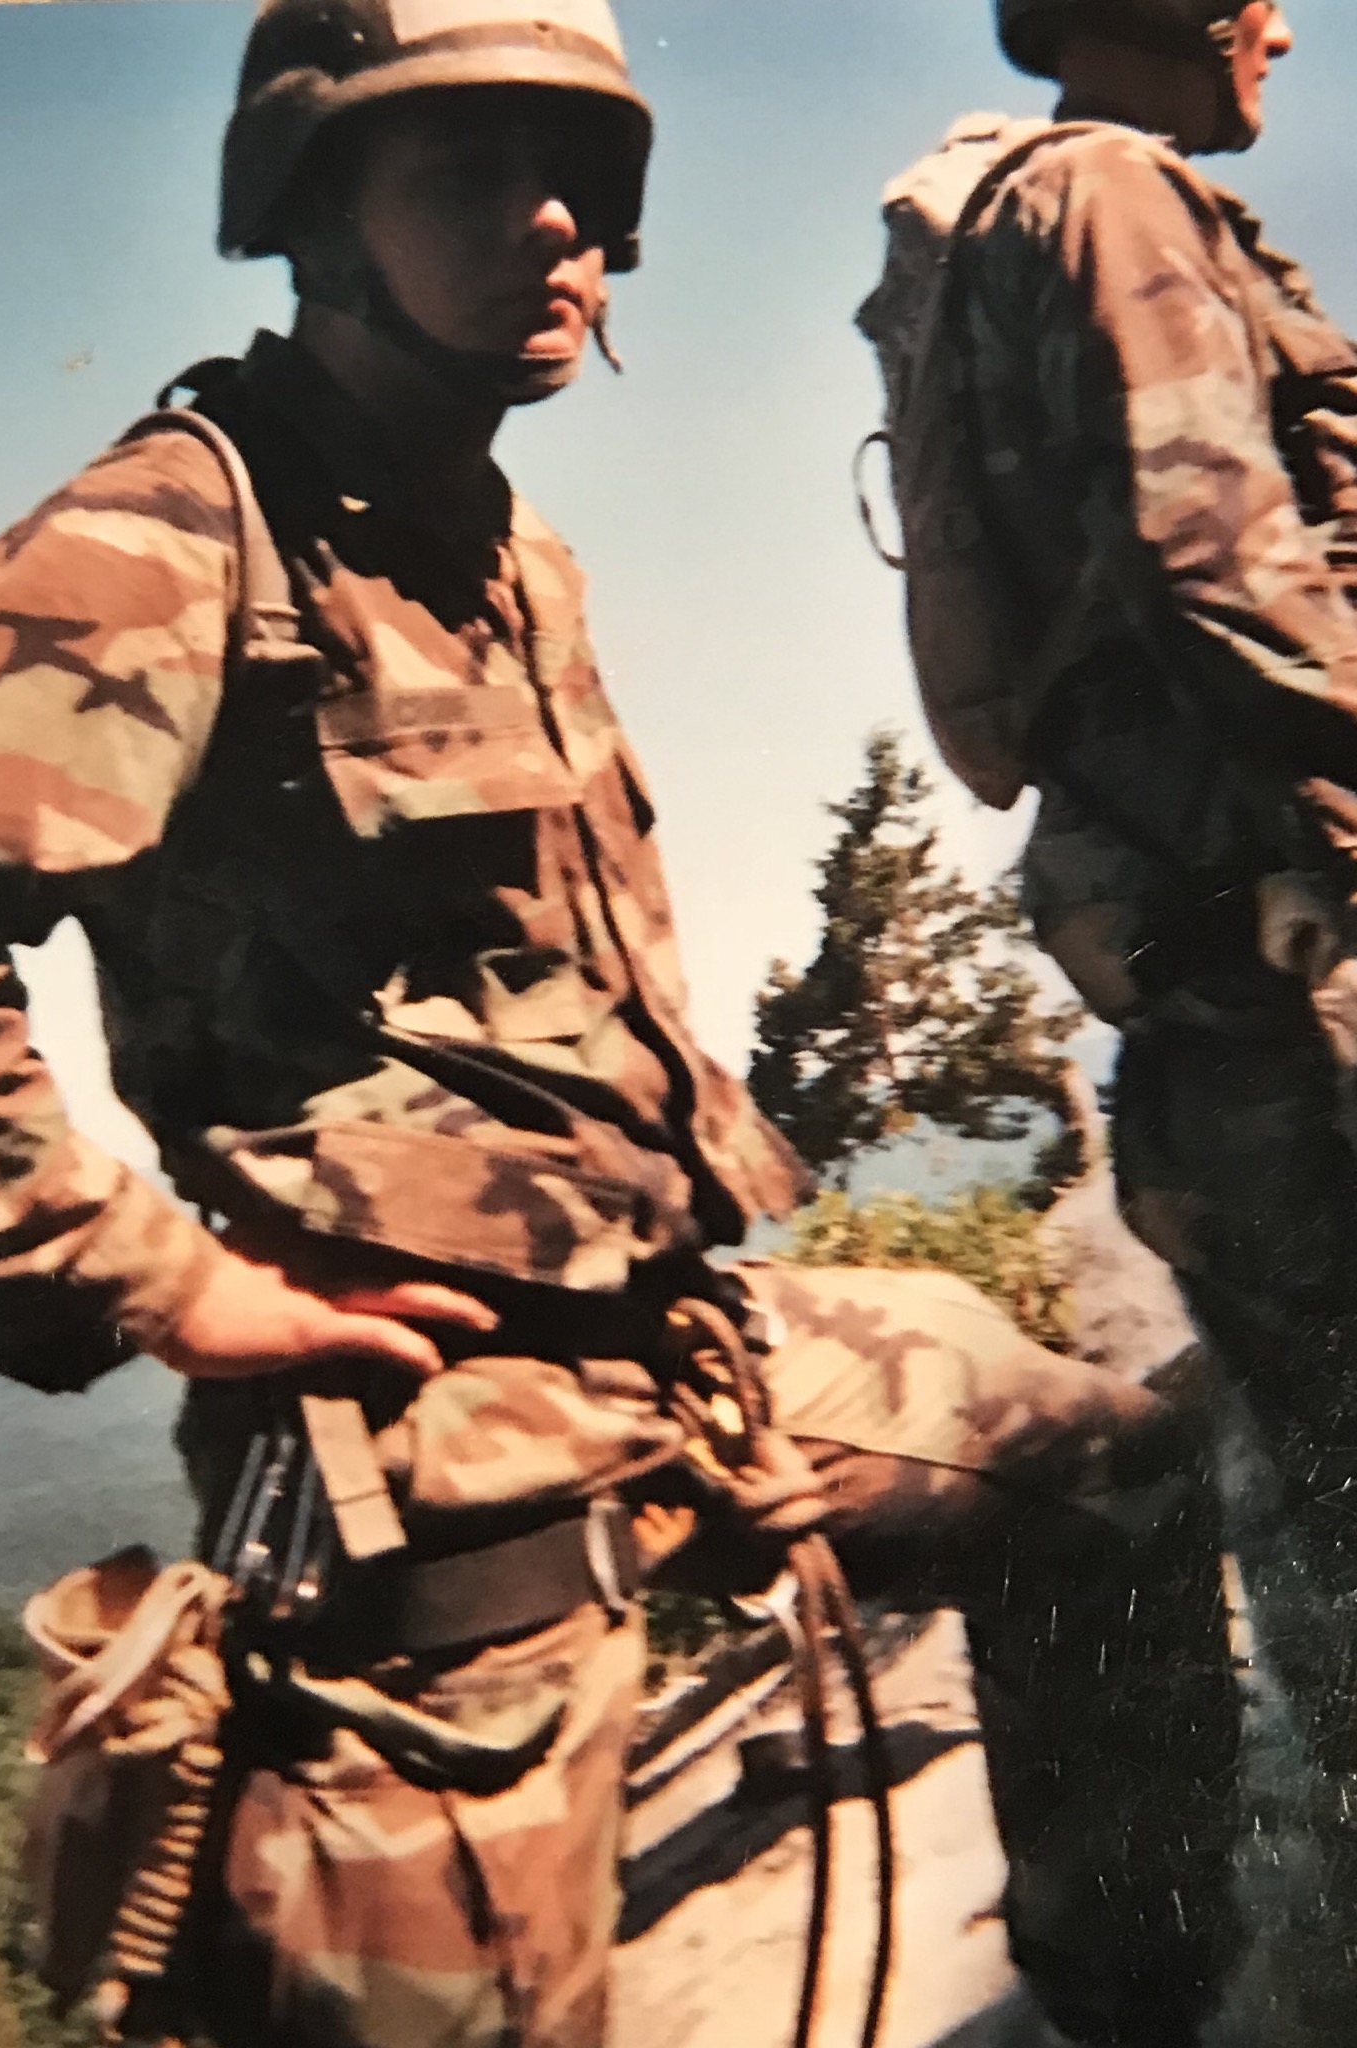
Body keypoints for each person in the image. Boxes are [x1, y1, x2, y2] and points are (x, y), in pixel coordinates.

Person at [0, 3, 1239, 2043]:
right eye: (457, 168)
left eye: (575, 178)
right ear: (310, 208)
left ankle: (1117, 1993)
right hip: (432, 1453)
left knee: (1111, 1481)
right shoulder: (181, 532)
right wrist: (155, 1278)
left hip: (673, 1356)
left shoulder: (507, 553)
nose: (545, 223)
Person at [863, 0, 1357, 2019]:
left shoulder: (1021, 217)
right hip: (1295, 953)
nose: (1276, 24)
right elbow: (1217, 557)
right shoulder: (1115, 200)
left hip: (1201, 970)